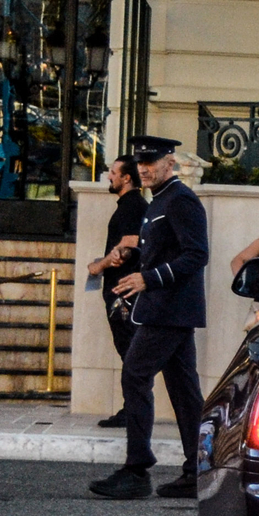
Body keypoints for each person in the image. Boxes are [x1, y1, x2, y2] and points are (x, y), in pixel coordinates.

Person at [89, 136, 210, 501]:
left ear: (169, 163)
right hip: (162, 309)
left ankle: (137, 469)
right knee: (185, 392)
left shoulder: (181, 201)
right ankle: (197, 470)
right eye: (140, 163)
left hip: (169, 311)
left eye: (151, 162)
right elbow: (162, 252)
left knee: (136, 373)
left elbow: (197, 255)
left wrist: (149, 278)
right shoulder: (161, 201)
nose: (143, 168)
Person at [88, 155, 147, 428]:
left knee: (131, 354)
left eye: (113, 172)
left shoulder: (132, 206)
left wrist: (96, 266)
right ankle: (132, 410)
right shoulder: (129, 205)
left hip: (124, 294)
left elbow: (125, 249)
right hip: (123, 293)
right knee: (131, 353)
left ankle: (133, 412)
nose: (109, 176)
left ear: (126, 178)